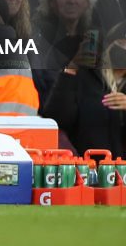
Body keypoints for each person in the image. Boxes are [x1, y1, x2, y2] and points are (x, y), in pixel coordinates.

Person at [45, 22, 126, 157]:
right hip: (86, 167)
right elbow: (57, 119)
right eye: (121, 42)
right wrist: (71, 68)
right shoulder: (86, 76)